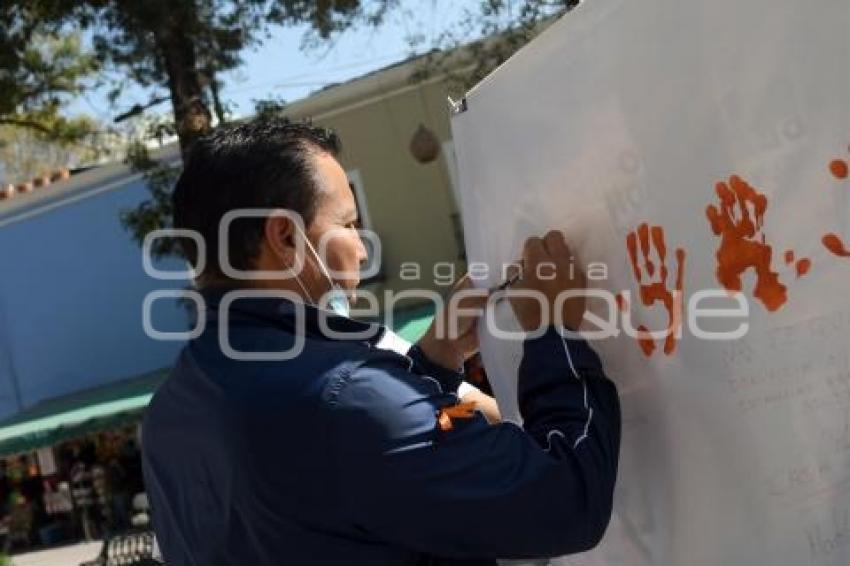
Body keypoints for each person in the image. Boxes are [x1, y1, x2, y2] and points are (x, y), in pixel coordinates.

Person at [142, 117, 621, 565]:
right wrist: (555, 332)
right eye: (349, 224)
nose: (363, 244)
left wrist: (433, 364)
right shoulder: (347, 399)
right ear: (285, 237)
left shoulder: (169, 414)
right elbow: (566, 499)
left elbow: (347, 495)